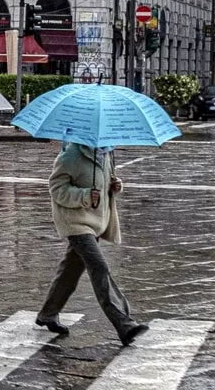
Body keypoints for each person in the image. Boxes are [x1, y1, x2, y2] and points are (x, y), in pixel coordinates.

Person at [36, 143, 149, 346]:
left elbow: (103, 184)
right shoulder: (71, 154)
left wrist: (114, 186)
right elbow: (56, 188)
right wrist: (84, 195)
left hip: (94, 221)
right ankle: (124, 323)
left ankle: (48, 314)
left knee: (70, 271)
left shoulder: (106, 153)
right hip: (76, 222)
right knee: (99, 267)